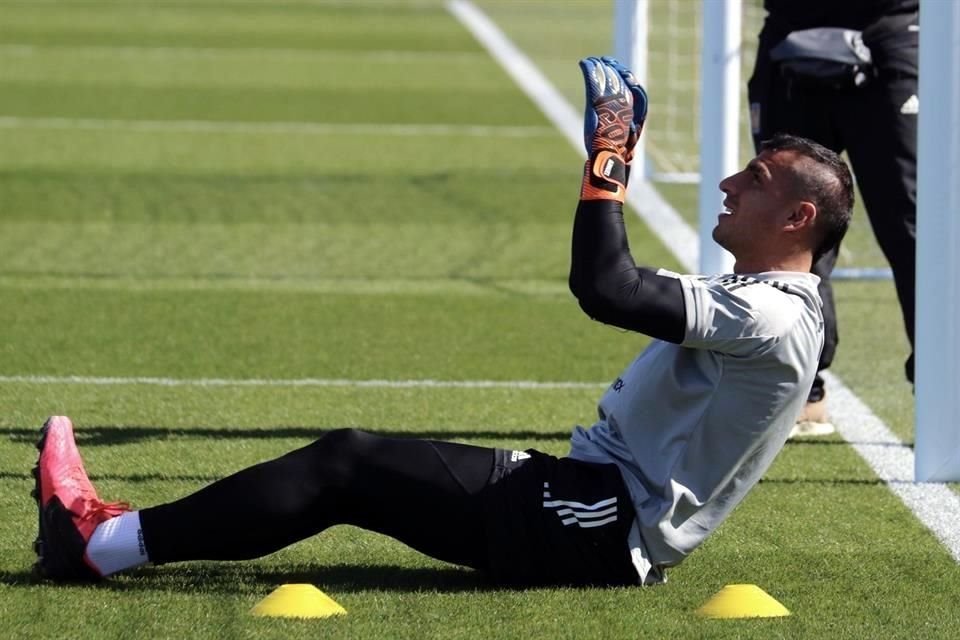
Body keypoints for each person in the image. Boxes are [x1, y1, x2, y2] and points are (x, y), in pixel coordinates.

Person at [31, 57, 852, 587]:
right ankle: (111, 540)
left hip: (602, 523)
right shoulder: (771, 301)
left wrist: (610, 158)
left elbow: (606, 287)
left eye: (755, 179)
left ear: (798, 218)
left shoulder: (772, 315)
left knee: (347, 464)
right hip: (592, 507)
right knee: (351, 470)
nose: (729, 184)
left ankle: (100, 544)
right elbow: (624, 286)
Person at [748, 0, 918, 437]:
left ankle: (943, 386)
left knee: (915, 227)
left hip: (892, 34)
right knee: (785, 223)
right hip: (789, 32)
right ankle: (801, 389)